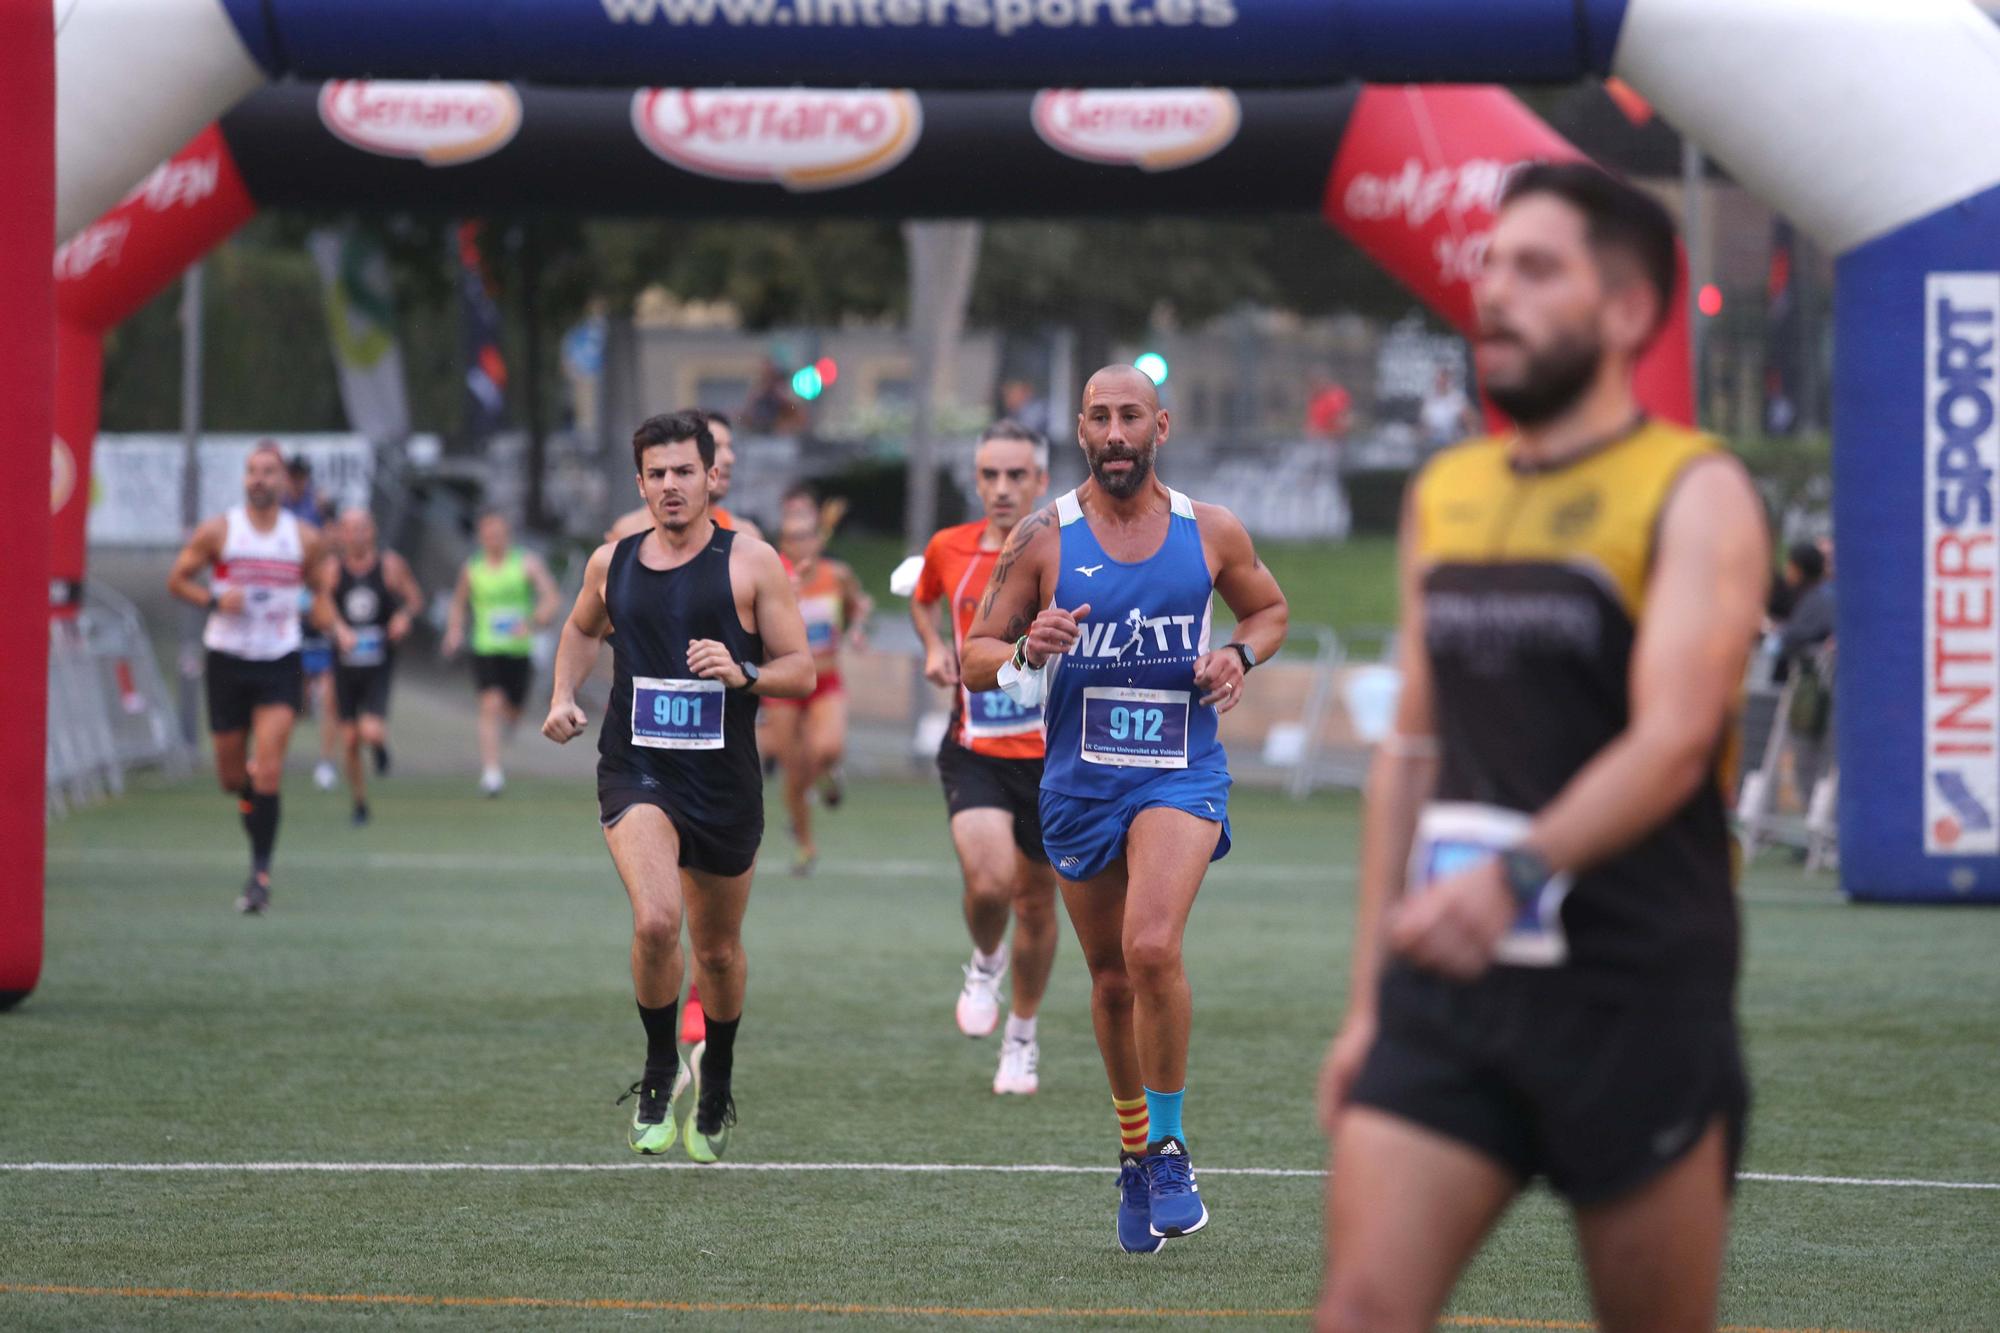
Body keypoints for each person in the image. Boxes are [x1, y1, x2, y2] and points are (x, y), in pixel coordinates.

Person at [1314, 163, 1769, 1333]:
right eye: (1486, 265)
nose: (1491, 292)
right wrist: (1370, 1005)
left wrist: (1513, 875)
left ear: (1624, 312)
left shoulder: (1695, 490)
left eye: (1533, 268)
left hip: (1631, 988)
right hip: (1449, 994)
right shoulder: (1447, 489)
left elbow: (1672, 742)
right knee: (1359, 1311)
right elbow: (1409, 751)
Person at [961, 365, 1289, 1251]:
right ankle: (1136, 1151)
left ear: (1160, 427)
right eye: (1100, 417)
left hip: (1180, 771)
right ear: (1080, 429)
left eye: (1130, 417)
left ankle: (1174, 1146)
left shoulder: (1209, 530)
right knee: (1109, 979)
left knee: (1151, 946)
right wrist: (1027, 643)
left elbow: (1268, 611)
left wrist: (1237, 657)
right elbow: (975, 657)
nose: (1115, 432)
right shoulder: (1043, 535)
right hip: (1076, 782)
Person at [542, 410, 813, 1162]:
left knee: (718, 951)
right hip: (637, 769)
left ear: (709, 477)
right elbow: (578, 628)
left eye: (683, 471)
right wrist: (564, 693)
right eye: (656, 474)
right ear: (640, 483)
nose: (670, 485)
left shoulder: (752, 562)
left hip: (722, 781)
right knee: (658, 921)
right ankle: (662, 1065)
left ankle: (716, 1070)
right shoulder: (612, 561)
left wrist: (744, 671)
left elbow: (803, 669)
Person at [910, 421, 1059, 1095]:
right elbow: (923, 600)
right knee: (992, 884)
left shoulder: (1070, 550)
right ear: (977, 481)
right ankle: (985, 958)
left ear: (1041, 480)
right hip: (976, 749)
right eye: (990, 476)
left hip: (1057, 760)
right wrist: (936, 648)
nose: (1003, 489)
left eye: (1016, 476)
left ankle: (1022, 1037)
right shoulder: (950, 547)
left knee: (1038, 904)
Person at [166, 442, 334, 913]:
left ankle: (259, 875)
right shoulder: (220, 531)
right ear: (244, 479)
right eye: (252, 471)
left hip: (280, 658)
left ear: (284, 482)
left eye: (268, 471)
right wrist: (215, 601)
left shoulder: (303, 538)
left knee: (271, 769)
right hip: (227, 659)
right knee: (231, 776)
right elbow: (177, 579)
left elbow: (321, 587)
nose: (259, 479)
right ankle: (251, 800)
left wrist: (327, 617)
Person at [765, 501, 872, 875]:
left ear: (818, 538)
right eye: (792, 537)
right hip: (782, 683)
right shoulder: (773, 578)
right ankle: (805, 844)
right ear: (783, 542)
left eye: (807, 535)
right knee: (794, 769)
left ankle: (829, 772)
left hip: (825, 680)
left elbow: (860, 605)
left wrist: (856, 629)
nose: (801, 543)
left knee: (827, 748)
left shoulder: (836, 575)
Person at [441, 510, 560, 796]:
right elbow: (458, 604)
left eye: (497, 533)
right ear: (481, 537)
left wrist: (534, 621)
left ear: (507, 535)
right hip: (485, 648)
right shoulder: (473, 568)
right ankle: (492, 772)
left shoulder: (526, 563)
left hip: (518, 651)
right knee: (490, 704)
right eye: (487, 534)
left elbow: (552, 598)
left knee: (513, 711)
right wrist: (454, 630)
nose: (492, 539)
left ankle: (511, 721)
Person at [319, 508, 423, 826]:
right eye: (351, 529)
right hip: (345, 664)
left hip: (379, 663)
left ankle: (379, 748)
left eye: (363, 528)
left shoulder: (390, 566)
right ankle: (360, 803)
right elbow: (320, 606)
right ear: (341, 533)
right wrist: (339, 628)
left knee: (371, 730)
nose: (357, 535)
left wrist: (402, 618)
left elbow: (415, 599)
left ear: (372, 531)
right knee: (349, 740)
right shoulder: (332, 569)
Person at [605, 409, 762, 544]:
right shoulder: (629, 534)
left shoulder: (746, 539)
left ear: (711, 476)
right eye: (715, 447)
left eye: (729, 446)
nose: (729, 458)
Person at [286, 456, 342, 794]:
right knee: (297, 699)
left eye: (300, 476)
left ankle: (325, 761)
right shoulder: (277, 510)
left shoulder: (317, 508)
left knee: (330, 692)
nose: (296, 482)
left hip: (316, 607)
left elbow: (333, 549)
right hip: (287, 612)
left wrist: (328, 515)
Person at [1417, 363, 1481, 452]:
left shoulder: (1457, 398)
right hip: (1432, 441)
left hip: (1453, 440)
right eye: (1438, 380)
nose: (1440, 382)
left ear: (1448, 381)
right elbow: (1424, 424)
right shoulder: (1429, 398)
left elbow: (1470, 419)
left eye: (1443, 380)